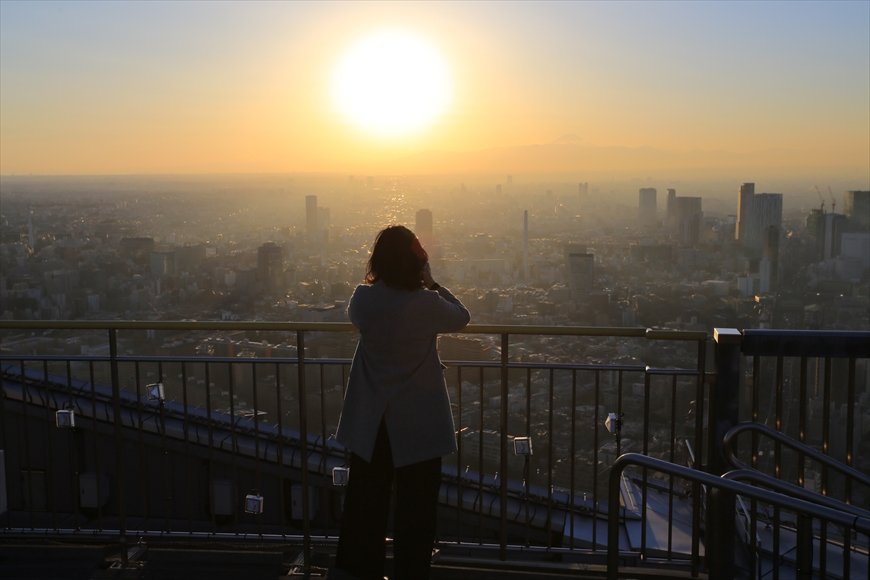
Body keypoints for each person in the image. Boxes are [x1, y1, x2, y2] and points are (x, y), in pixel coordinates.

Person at [333, 225, 470, 580]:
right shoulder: (426, 304)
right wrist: (432, 283)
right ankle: (411, 570)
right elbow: (461, 317)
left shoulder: (363, 301)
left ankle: (362, 569)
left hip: (372, 421)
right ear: (415, 262)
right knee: (417, 509)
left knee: (367, 504)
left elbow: (360, 315)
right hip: (419, 422)